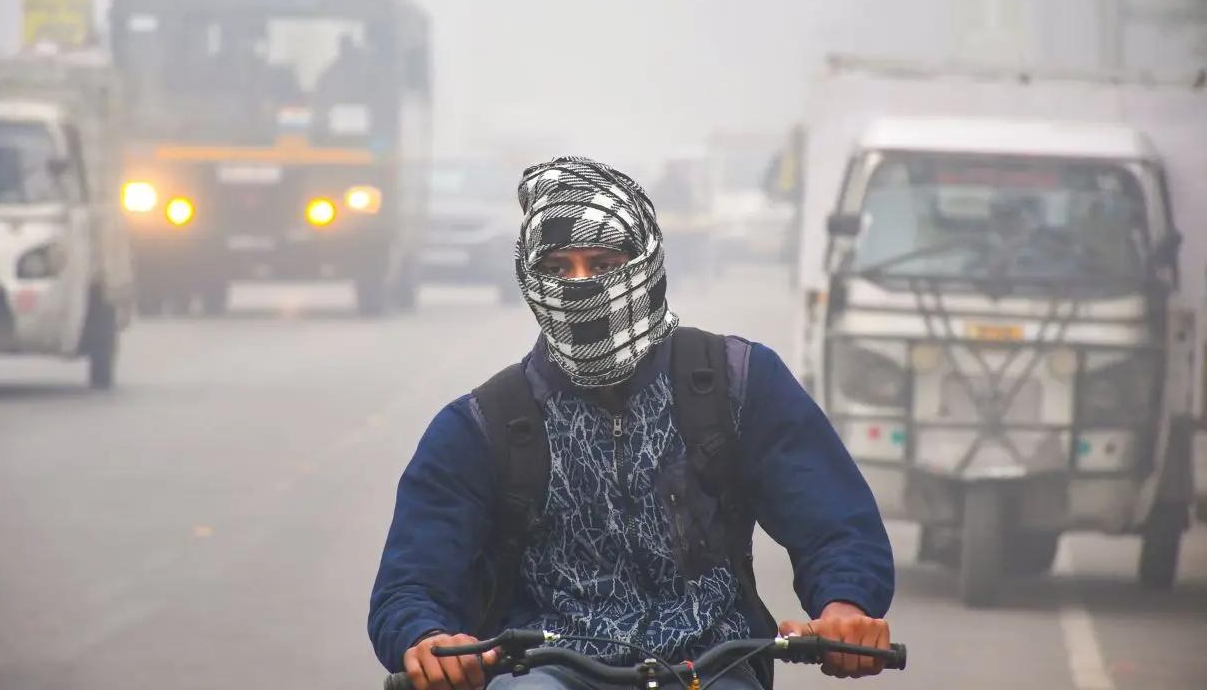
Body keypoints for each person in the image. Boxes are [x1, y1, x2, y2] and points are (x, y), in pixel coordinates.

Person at [369, 156, 894, 689]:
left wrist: (845, 605)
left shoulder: (737, 383)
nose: (580, 284)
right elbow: (410, 583)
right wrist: (426, 637)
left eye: (601, 264)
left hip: (712, 668)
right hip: (542, 671)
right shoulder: (483, 424)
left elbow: (835, 521)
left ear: (646, 260)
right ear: (530, 279)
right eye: (556, 269)